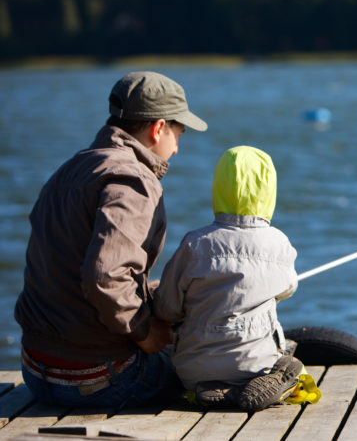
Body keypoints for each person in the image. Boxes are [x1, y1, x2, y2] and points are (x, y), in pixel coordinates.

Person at [15, 71, 207, 408]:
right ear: (158, 128)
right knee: (204, 366)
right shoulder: (133, 180)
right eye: (179, 133)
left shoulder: (72, 168)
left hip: (36, 371)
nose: (176, 148)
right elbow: (104, 276)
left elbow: (75, 273)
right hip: (97, 379)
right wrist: (145, 332)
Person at [153, 146, 305, 411]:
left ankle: (216, 390)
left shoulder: (195, 244)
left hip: (193, 369)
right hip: (256, 364)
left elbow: (167, 308)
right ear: (269, 192)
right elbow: (288, 288)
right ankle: (274, 382)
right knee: (286, 355)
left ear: (218, 188)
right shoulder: (279, 243)